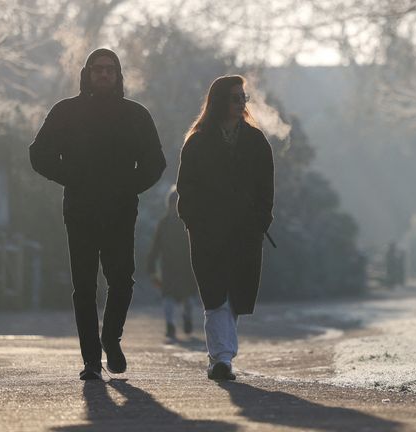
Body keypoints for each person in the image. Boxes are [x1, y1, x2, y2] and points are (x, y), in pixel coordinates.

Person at [29, 48, 166, 380]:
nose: (104, 75)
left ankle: (111, 337)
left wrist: (128, 186)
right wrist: (71, 176)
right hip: (80, 210)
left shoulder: (136, 115)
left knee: (122, 281)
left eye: (110, 70)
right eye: (97, 69)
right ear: (87, 74)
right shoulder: (66, 112)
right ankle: (91, 360)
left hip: (120, 210)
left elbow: (155, 162)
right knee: (85, 286)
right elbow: (38, 154)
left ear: (119, 75)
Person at [176, 75, 274, 381]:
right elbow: (186, 188)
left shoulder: (256, 141)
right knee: (214, 292)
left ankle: (222, 355)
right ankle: (221, 357)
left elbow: (266, 186)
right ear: (219, 101)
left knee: (235, 291)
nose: (240, 103)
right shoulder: (198, 141)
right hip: (207, 230)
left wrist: (260, 220)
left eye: (242, 97)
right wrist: (193, 219)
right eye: (234, 97)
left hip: (245, 230)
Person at [147, 185, 199, 339]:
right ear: (169, 205)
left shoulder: (189, 222)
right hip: (169, 268)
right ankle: (170, 324)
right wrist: (151, 271)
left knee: (188, 298)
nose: (174, 208)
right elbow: (155, 247)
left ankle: (187, 317)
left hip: (187, 267)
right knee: (168, 297)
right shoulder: (163, 224)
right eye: (172, 204)